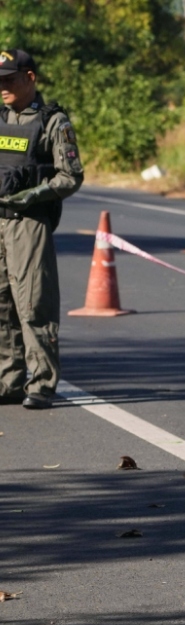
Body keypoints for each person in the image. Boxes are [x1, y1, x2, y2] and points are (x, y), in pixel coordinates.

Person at [0, 50, 84, 410]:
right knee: (2, 304)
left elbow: (71, 176)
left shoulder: (53, 121)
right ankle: (10, 381)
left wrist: (31, 194)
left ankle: (42, 384)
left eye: (9, 80)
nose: (3, 87)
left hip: (29, 221)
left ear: (30, 78)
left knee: (33, 302)